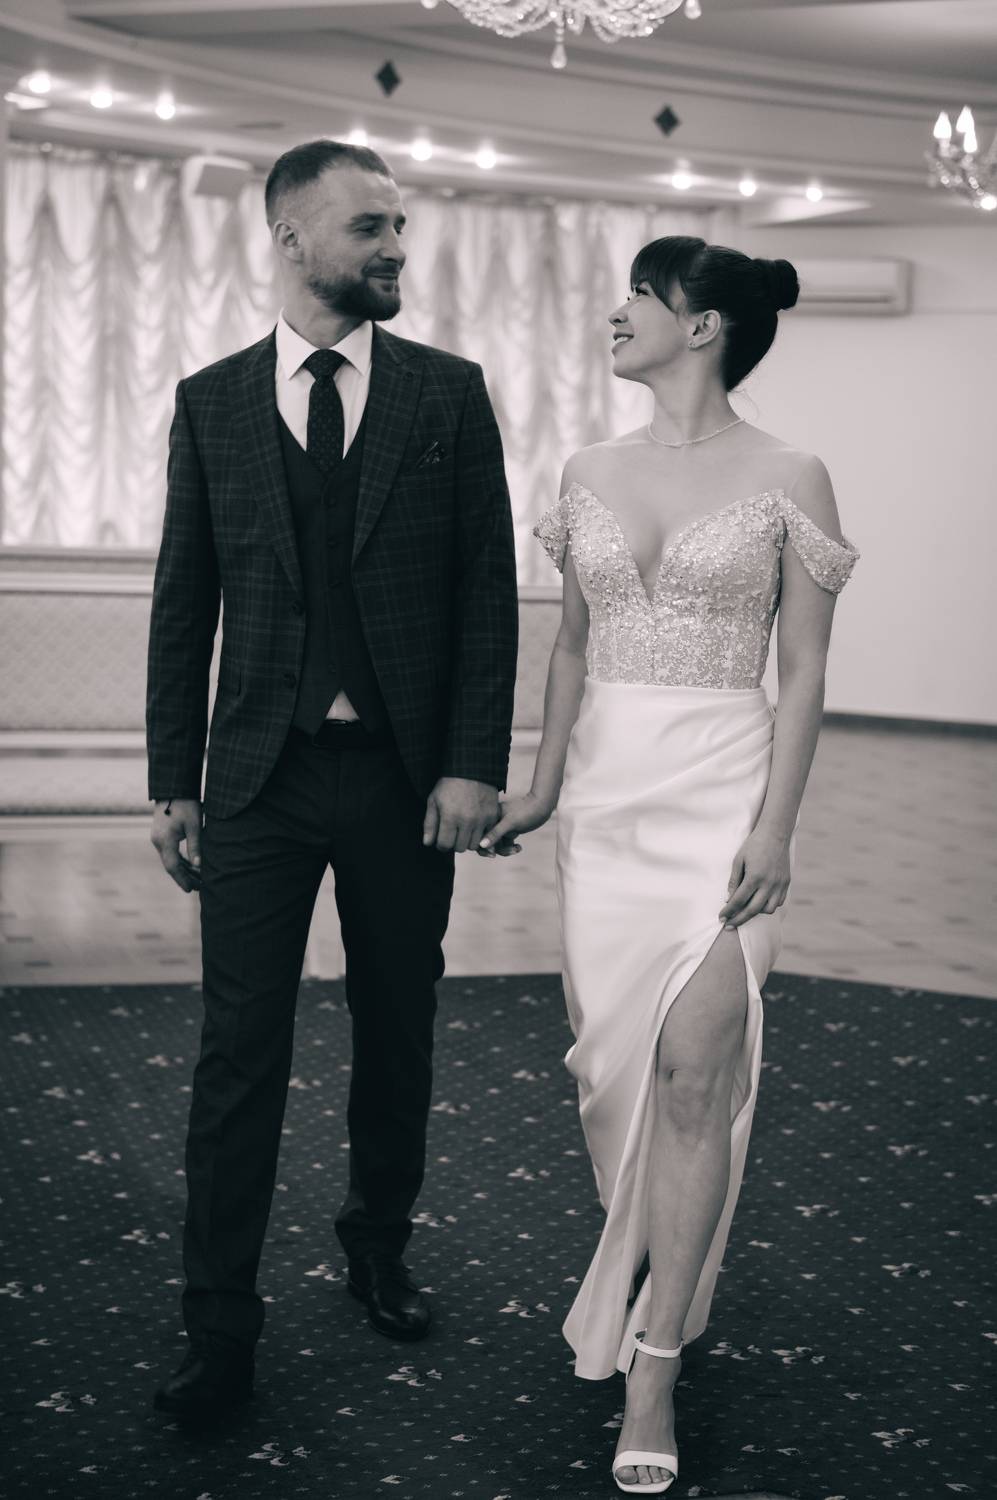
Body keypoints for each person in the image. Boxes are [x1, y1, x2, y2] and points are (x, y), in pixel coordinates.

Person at [146, 139, 518, 1422]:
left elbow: (484, 594)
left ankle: (377, 1246)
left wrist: (472, 762)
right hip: (259, 778)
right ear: (292, 239)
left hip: (406, 784)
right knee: (237, 1055)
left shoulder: (448, 394)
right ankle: (218, 1324)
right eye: (369, 227)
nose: (395, 248)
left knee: (396, 1033)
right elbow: (183, 603)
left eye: (400, 226)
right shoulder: (210, 401)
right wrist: (173, 780)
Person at [481, 236, 858, 1492]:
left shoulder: (792, 474)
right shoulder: (585, 469)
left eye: (639, 296)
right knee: (615, 1082)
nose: (615, 312)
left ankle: (653, 1371)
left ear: (702, 326)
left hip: (718, 798)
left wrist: (775, 828)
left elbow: (804, 669)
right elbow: (570, 649)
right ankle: (654, 1266)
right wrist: (542, 785)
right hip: (604, 811)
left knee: (696, 1078)